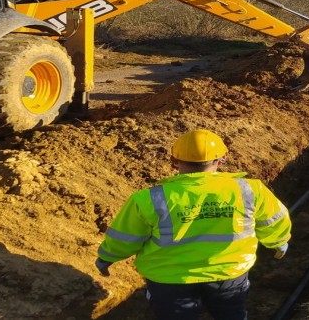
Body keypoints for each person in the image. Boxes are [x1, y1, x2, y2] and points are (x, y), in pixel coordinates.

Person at [95, 129, 291, 320]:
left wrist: (107, 257)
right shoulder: (250, 189)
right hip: (228, 274)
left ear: (174, 161)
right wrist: (278, 242)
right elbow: (274, 220)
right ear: (222, 160)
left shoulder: (149, 199)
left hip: (169, 280)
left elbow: (125, 237)